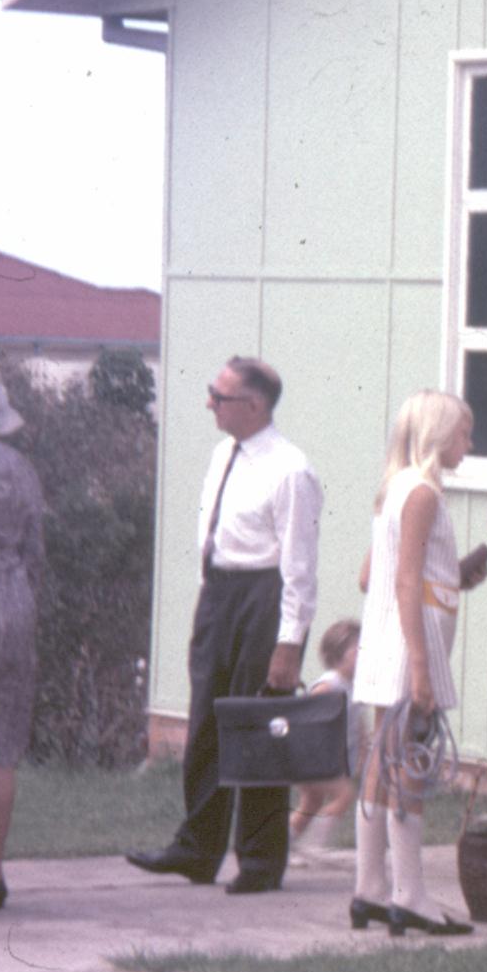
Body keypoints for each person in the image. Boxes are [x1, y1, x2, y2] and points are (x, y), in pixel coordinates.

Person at [128, 358, 320, 894]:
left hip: (264, 597)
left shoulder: (290, 470)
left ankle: (259, 860)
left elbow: (299, 568)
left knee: (257, 726)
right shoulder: (221, 455)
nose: (209, 403)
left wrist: (288, 645)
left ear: (253, 406)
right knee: (207, 722)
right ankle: (197, 848)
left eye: (219, 395)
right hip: (220, 593)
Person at [352, 390, 487, 938]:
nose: (469, 444)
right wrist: (420, 667)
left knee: (382, 765)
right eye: (463, 434)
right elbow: (406, 579)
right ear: (438, 437)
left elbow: (373, 576)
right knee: (409, 763)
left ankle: (369, 887)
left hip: (386, 638)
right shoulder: (424, 495)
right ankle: (409, 894)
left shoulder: (396, 489)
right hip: (412, 644)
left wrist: (452, 573)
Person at [284, 618, 360, 875]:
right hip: (313, 758)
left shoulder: (352, 686)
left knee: (311, 802)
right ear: (338, 654)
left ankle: (281, 847)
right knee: (345, 795)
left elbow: (358, 726)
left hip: (328, 759)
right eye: (357, 651)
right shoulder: (331, 683)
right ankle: (315, 844)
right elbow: (309, 715)